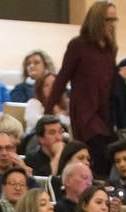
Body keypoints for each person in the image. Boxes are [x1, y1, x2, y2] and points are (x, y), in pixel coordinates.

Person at [46, 1, 116, 172]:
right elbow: (62, 78)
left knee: (106, 157)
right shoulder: (78, 45)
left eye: (114, 20)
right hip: (85, 112)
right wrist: (48, 111)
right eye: (108, 20)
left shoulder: (110, 48)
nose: (112, 24)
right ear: (97, 20)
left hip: (105, 113)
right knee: (98, 153)